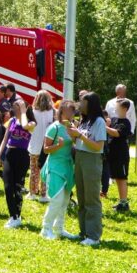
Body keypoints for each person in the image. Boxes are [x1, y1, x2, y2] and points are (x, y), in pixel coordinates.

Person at [40, 100, 79, 241]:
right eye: (69, 110)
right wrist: (58, 145)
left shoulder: (73, 126)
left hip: (68, 166)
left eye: (73, 111)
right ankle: (46, 229)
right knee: (57, 199)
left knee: (65, 200)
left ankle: (59, 229)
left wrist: (75, 135)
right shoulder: (54, 127)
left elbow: (76, 143)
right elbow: (45, 149)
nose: (72, 113)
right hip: (55, 166)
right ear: (62, 111)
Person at [73, 92, 107, 247]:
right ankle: (84, 231)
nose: (80, 105)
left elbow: (98, 146)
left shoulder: (99, 121)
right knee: (81, 196)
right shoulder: (84, 121)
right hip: (80, 158)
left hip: (91, 159)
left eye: (83, 102)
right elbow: (79, 140)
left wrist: (79, 136)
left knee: (91, 198)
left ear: (90, 104)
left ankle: (93, 236)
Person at [0, 98, 32, 228]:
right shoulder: (11, 121)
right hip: (10, 154)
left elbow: (24, 126)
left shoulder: (31, 123)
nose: (15, 109)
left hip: (22, 156)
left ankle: (17, 215)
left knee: (17, 187)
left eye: (18, 106)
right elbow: (5, 139)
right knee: (7, 186)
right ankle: (13, 216)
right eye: (15, 106)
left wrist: (23, 110)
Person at [106, 99, 133, 211]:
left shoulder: (126, 122)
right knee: (117, 177)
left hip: (121, 155)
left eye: (117, 107)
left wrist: (104, 127)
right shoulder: (114, 120)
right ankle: (121, 202)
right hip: (112, 154)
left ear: (125, 109)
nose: (115, 109)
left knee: (122, 178)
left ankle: (124, 203)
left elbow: (116, 133)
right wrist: (107, 123)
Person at [27, 90, 54, 202]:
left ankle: (32, 193)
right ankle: (44, 194)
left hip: (34, 145)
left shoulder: (32, 112)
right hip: (47, 145)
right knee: (45, 170)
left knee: (34, 171)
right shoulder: (53, 112)